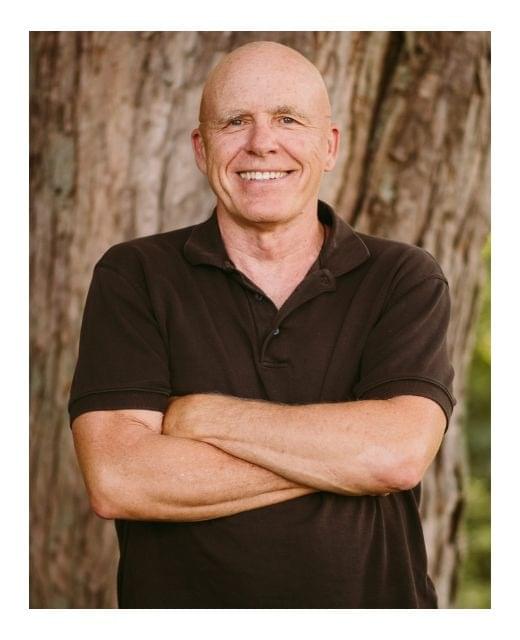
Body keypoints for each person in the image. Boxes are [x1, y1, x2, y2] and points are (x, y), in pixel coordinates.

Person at [69, 40, 456, 609]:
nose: (261, 142)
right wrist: (343, 459)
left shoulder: (402, 277)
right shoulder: (136, 275)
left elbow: (395, 454)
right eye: (235, 121)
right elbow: (119, 479)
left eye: (288, 119)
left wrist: (202, 416)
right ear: (201, 148)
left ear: (329, 145)